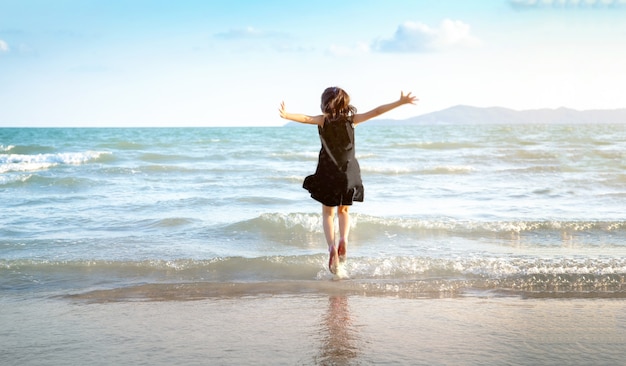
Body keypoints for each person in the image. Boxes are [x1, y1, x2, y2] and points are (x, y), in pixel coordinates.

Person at [279, 87, 418, 274]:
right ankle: (343, 239)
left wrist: (287, 115)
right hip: (348, 172)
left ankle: (331, 248)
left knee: (328, 213)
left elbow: (305, 118)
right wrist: (400, 102)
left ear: (324, 103)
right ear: (346, 103)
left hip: (328, 171)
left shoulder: (322, 120)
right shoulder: (352, 120)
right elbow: (376, 111)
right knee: (344, 210)